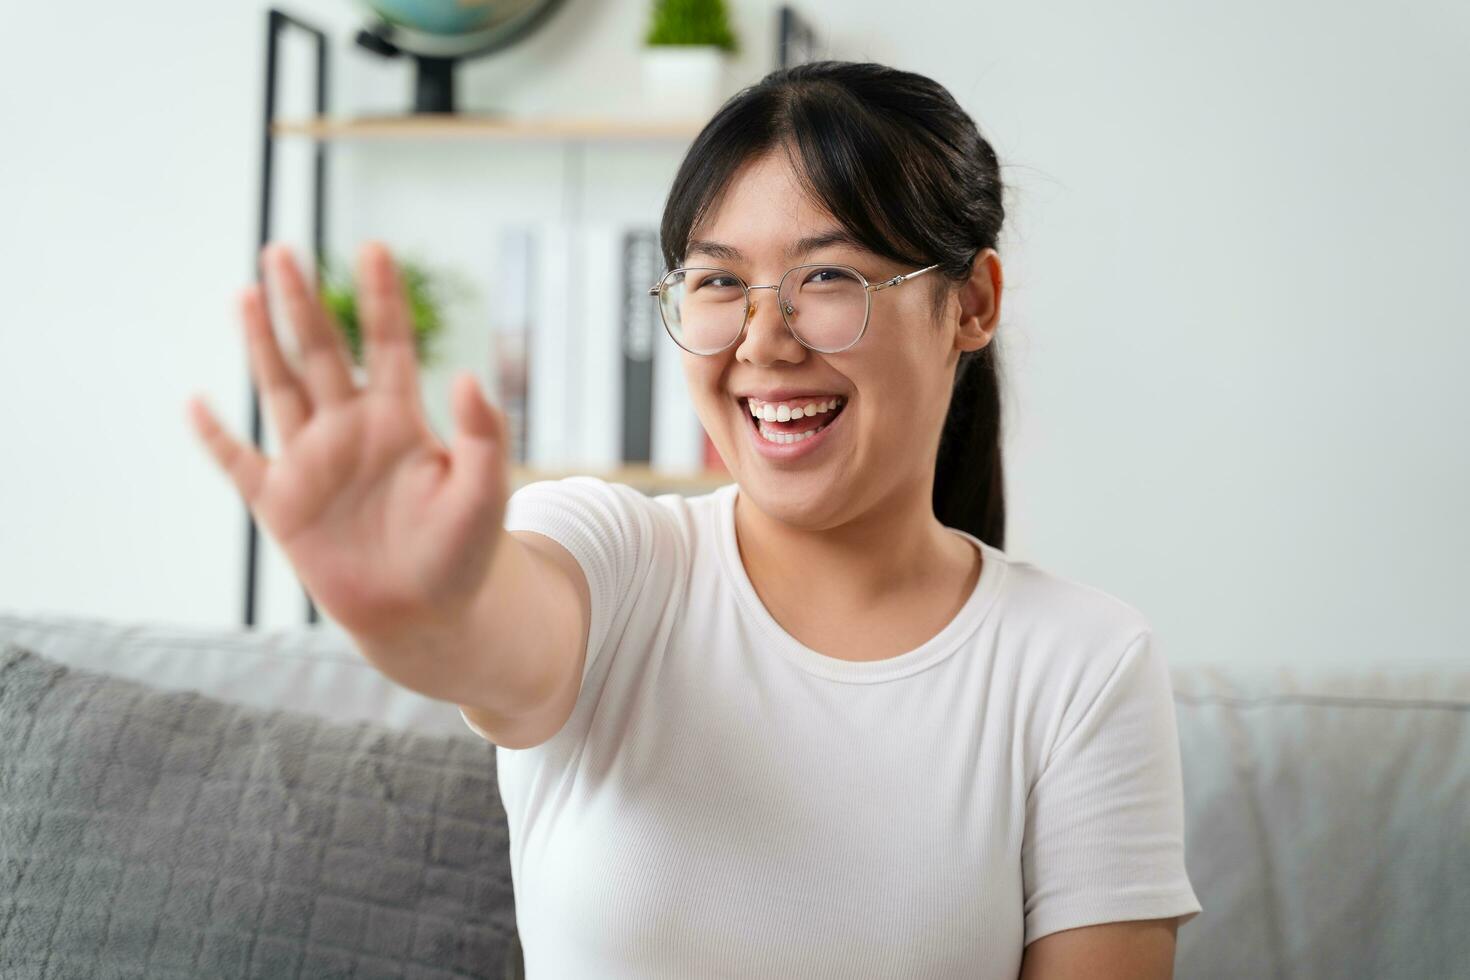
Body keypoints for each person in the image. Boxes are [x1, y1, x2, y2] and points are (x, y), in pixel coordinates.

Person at [188, 59, 1201, 980]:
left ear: (972, 302)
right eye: (719, 281)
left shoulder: (1082, 664)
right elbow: (495, 632)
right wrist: (423, 604)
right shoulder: (618, 558)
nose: (764, 340)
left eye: (828, 277)